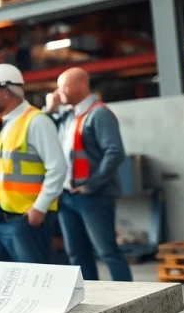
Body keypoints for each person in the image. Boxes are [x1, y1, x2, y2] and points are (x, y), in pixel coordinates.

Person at [0, 64, 66, 264]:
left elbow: (58, 168)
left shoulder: (37, 122)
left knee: (35, 280)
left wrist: (40, 207)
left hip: (22, 222)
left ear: (5, 92)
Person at [47, 68, 133, 283]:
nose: (59, 92)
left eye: (63, 86)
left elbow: (114, 152)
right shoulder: (66, 116)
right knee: (76, 253)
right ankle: (90, 298)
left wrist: (91, 185)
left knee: (107, 252)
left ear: (81, 85)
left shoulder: (99, 113)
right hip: (67, 196)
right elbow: (42, 129)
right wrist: (50, 109)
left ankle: (129, 301)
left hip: (94, 195)